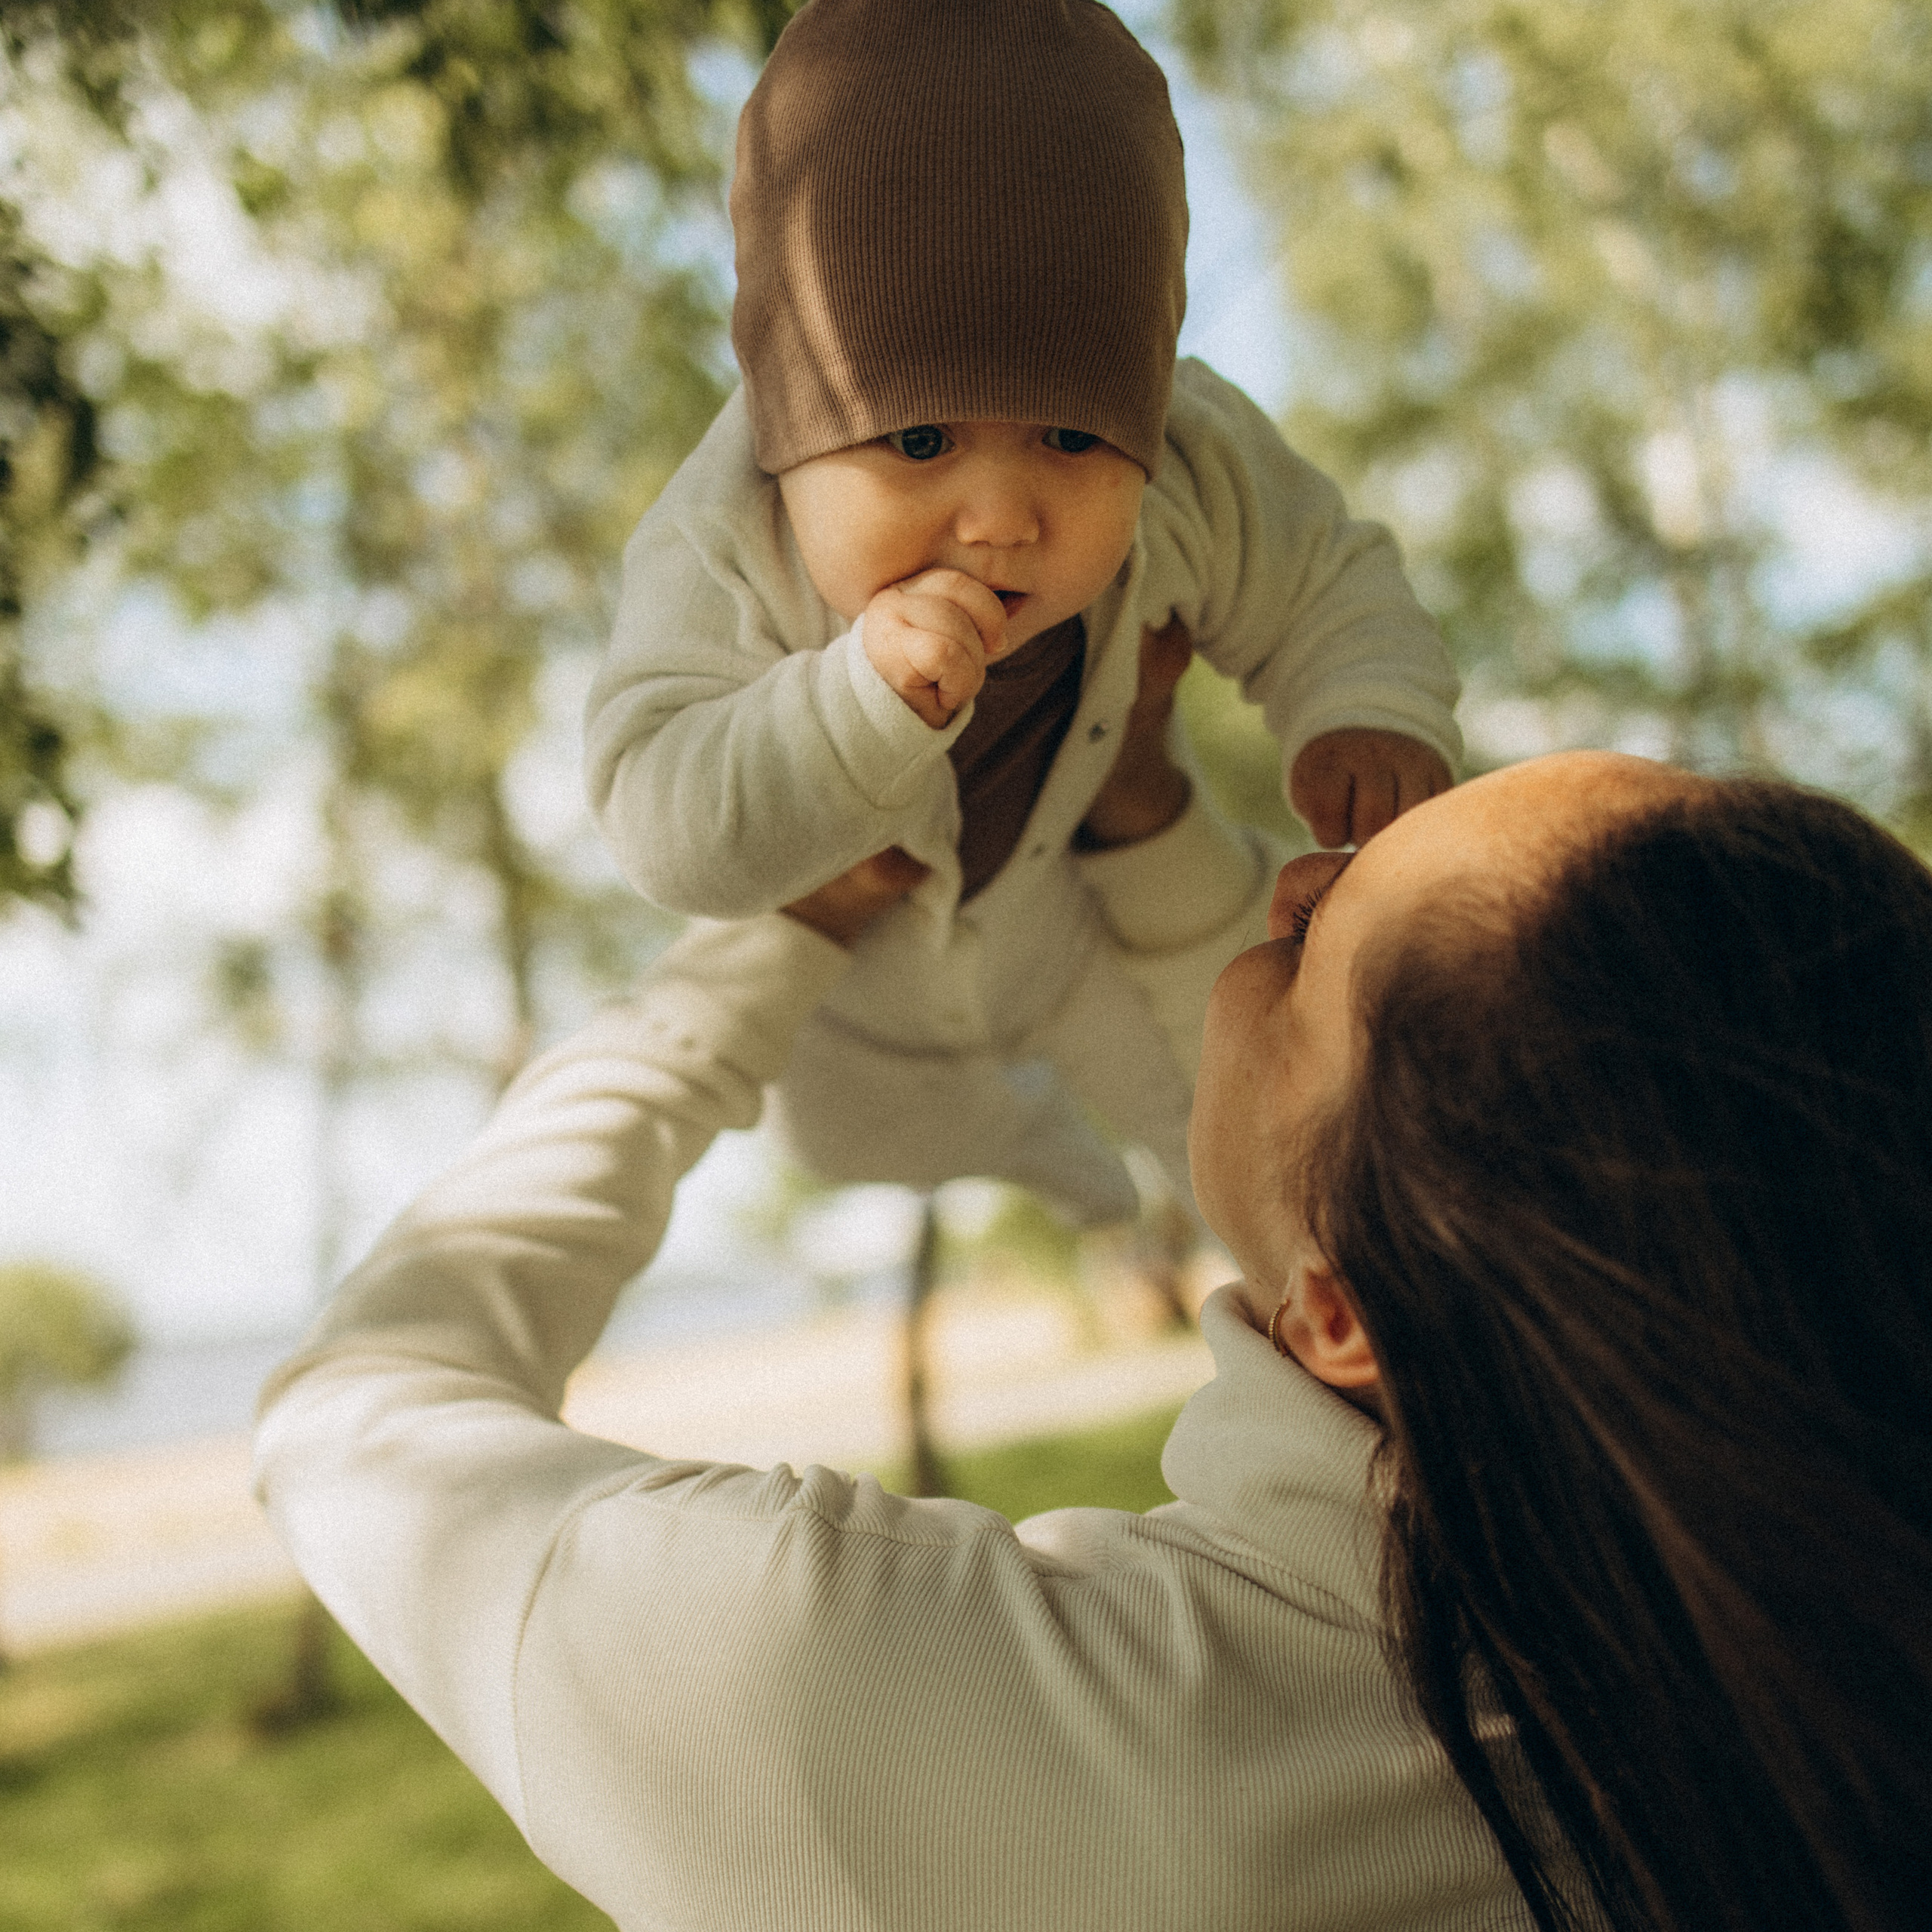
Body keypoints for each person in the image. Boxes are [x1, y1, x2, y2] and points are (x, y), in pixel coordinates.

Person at [256, 740, 1932, 1931]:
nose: (1282, 878)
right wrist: (1134, 810)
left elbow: (351, 1417)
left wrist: (759, 956)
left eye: (1306, 932)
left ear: (1339, 1313)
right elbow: (1286, 1132)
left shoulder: (849, 1695)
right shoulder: (1802, 1701)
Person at [584, 0, 1460, 1224]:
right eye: (923, 438)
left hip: (1066, 936)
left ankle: (1277, 1277)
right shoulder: (722, 532)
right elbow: (656, 818)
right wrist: (849, 708)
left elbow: (1327, 577)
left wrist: (1363, 708)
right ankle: (1039, 1147)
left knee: (1246, 1132)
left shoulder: (1196, 467)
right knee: (846, 1136)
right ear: (789, 429)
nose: (1001, 516)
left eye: (1069, 434)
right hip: (854, 996)